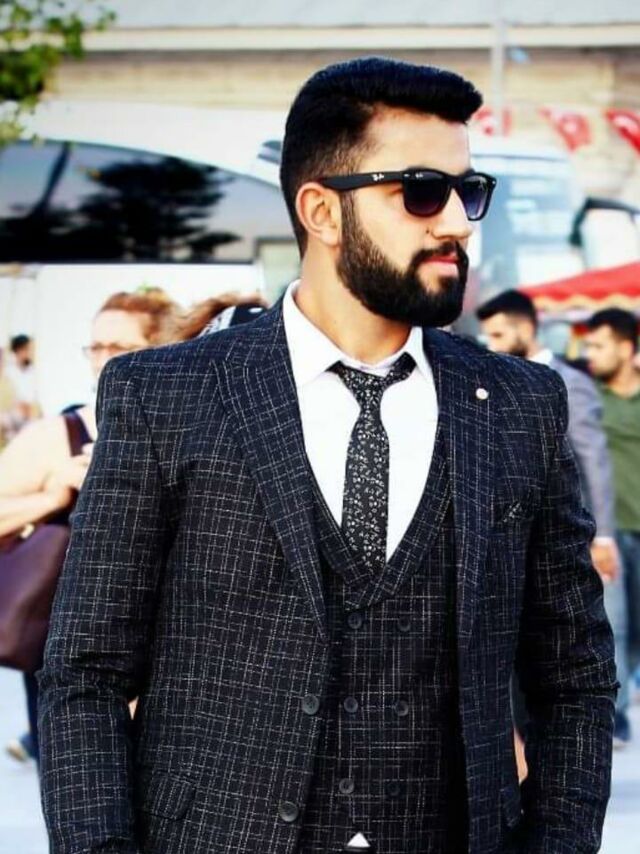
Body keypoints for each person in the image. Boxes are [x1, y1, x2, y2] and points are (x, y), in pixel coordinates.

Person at [38, 57, 616, 854]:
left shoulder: (520, 403)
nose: (457, 222)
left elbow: (574, 676)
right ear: (321, 211)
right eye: (422, 192)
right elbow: (87, 673)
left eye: (467, 191)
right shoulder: (165, 394)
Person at [0, 288, 176, 764]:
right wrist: (53, 495)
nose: (102, 360)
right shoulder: (60, 435)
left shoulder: (186, 433)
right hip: (67, 653)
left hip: (165, 656)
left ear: (162, 350)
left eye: (119, 347)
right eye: (95, 347)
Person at [476, 290, 619, 582]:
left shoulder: (570, 382)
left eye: (499, 335)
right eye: (488, 337)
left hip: (573, 535)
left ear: (526, 329)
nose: (492, 346)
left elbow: (594, 459)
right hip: (518, 543)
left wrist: (603, 536)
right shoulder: (494, 383)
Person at [584, 308, 640, 748]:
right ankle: (616, 714)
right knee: (614, 623)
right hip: (610, 530)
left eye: (599, 346)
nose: (591, 354)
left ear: (626, 348)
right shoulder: (589, 396)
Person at [6, 333, 40, 423]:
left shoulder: (33, 371)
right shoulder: (8, 372)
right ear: (18, 350)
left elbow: (35, 398)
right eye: (27, 349)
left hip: (31, 417)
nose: (29, 353)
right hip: (13, 416)